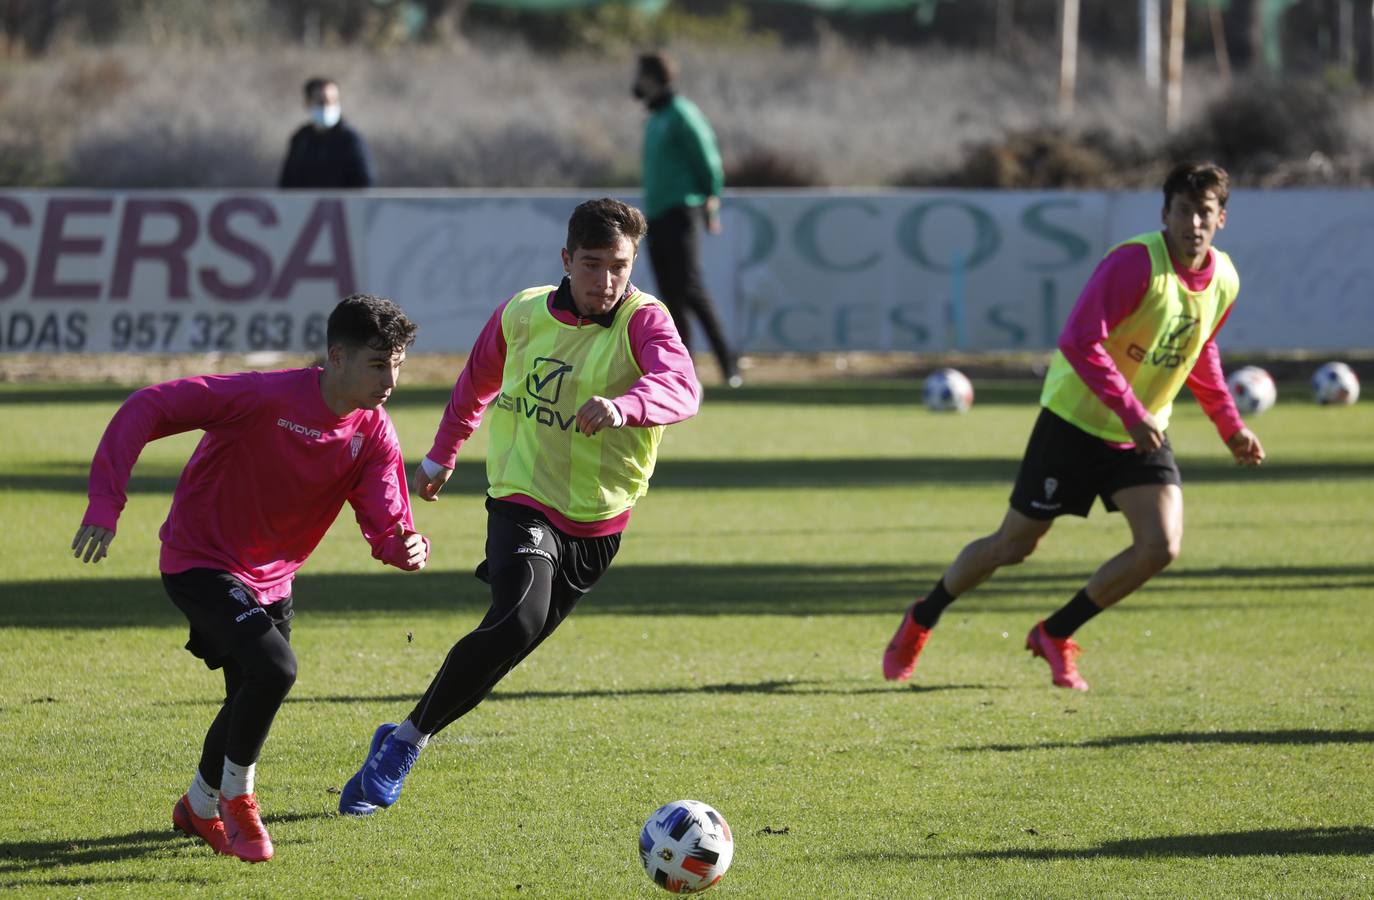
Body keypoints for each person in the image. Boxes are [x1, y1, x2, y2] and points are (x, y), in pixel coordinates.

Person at [338, 197, 700, 816]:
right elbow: (476, 381)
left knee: (508, 644)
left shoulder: (646, 321)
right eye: (592, 264)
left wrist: (624, 406)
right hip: (520, 498)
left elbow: (682, 385)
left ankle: (401, 736)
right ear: (566, 259)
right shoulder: (524, 313)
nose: (606, 281)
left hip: (598, 520)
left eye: (619, 265)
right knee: (520, 619)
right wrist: (442, 454)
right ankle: (403, 746)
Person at [882, 161, 1265, 692]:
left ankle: (1055, 633)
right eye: (1182, 211)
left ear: (1221, 218)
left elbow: (1199, 351)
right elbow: (1079, 339)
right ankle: (923, 616)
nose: (1192, 224)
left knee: (1160, 546)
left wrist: (1231, 426)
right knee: (1012, 547)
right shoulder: (1135, 264)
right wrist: (1132, 409)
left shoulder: (1225, 279)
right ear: (1165, 213)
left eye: (1204, 213)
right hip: (1076, 421)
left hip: (1139, 433)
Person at [71, 294, 428, 862]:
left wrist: (405, 546)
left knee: (249, 692)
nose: (391, 378)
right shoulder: (262, 396)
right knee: (276, 668)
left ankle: (196, 805)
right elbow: (146, 406)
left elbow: (387, 520)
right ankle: (239, 799)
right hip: (200, 560)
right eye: (377, 363)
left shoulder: (374, 433)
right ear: (337, 357)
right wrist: (104, 503)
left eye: (398, 364)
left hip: (274, 579)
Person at [633, 51, 741, 388]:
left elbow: (707, 161)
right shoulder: (656, 118)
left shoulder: (682, 114)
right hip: (657, 216)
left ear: (651, 78)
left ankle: (728, 364)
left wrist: (712, 202)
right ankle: (684, 372)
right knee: (670, 296)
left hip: (681, 213)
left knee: (690, 288)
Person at [279, 77, 375, 189]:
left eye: (333, 101)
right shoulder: (301, 139)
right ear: (307, 103)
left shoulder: (350, 139)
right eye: (321, 102)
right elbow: (286, 182)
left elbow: (364, 182)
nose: (327, 107)